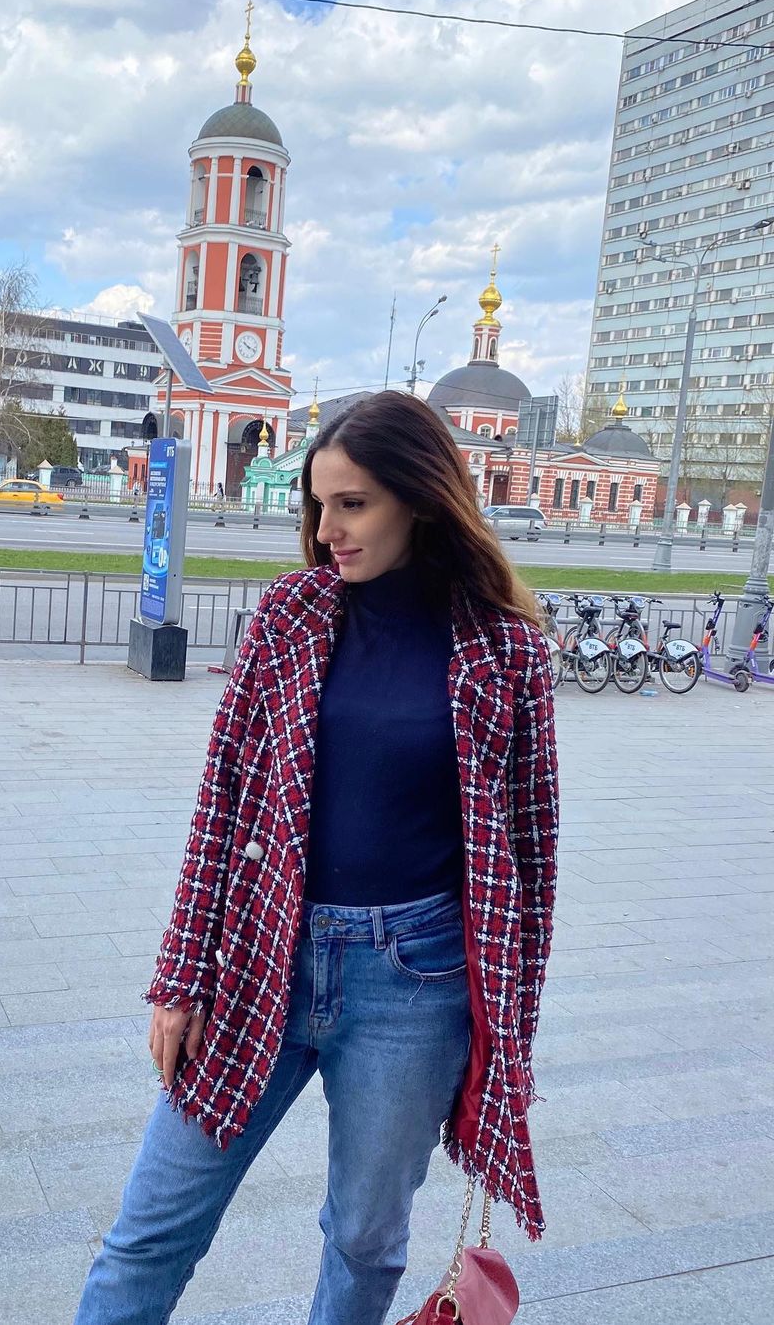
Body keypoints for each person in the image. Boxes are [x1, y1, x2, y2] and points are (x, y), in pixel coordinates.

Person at [74, 391, 559, 1325]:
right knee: (151, 1226)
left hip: (414, 982)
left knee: (365, 1240)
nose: (326, 529)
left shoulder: (507, 652)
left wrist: (508, 1040)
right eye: (318, 504)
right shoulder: (290, 615)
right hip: (266, 955)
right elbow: (221, 805)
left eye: (353, 504)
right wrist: (180, 978)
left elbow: (531, 864)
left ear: (420, 497)